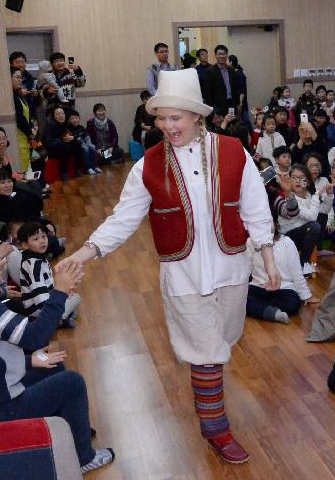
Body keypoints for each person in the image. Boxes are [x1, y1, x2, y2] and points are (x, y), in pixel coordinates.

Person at [58, 69, 279, 464]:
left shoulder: (233, 151)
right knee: (206, 352)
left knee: (223, 340)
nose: (165, 125)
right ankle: (216, 429)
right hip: (182, 273)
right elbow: (123, 218)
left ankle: (212, 410)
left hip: (231, 268)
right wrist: (84, 251)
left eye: (174, 117)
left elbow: (255, 207)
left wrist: (267, 257)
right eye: (161, 118)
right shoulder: (147, 166)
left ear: (196, 116)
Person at [0, 237, 115, 473]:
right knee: (73, 383)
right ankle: (83, 458)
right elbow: (36, 337)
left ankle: (71, 434)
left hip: (0, 392)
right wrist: (60, 291)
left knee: (53, 367)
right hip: (7, 407)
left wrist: (28, 360)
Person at [245, 220, 315, 324]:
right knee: (238, 300)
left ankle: (261, 308)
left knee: (293, 303)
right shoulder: (250, 242)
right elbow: (246, 269)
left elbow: (296, 272)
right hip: (258, 287)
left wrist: (306, 295)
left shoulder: (287, 242)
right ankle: (270, 312)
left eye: (269, 221)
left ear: (276, 224)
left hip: (282, 289)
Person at [17, 221, 80, 325]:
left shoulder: (37, 257)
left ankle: (61, 317)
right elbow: (39, 296)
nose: (42, 241)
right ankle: (56, 321)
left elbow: (48, 283)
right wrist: (52, 310)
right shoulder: (33, 266)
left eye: (44, 236)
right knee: (76, 298)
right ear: (25, 245)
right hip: (38, 310)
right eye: (36, 239)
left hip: (46, 299)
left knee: (70, 295)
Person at [279, 164, 332, 268]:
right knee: (314, 226)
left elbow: (325, 210)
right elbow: (312, 216)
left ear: (308, 182)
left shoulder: (309, 195)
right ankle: (304, 264)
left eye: (301, 177)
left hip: (303, 235)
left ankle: (303, 264)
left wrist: (330, 195)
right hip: (287, 236)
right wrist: (317, 195)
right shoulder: (289, 198)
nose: (298, 181)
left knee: (320, 220)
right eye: (294, 177)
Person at [200, 44, 241, 116]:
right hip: (218, 108)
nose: (222, 56)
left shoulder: (231, 70)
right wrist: (212, 111)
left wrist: (238, 104)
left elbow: (235, 88)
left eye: (224, 54)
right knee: (221, 127)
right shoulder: (210, 71)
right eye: (219, 54)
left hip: (231, 105)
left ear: (227, 55)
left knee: (233, 126)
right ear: (215, 55)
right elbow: (207, 93)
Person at [65, 109, 101, 175]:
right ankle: (88, 168)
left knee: (92, 147)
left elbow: (87, 137)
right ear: (68, 120)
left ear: (79, 119)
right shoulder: (68, 129)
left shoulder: (81, 127)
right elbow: (73, 140)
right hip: (77, 146)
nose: (75, 120)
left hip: (85, 143)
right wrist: (85, 144)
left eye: (76, 118)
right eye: (72, 119)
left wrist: (89, 144)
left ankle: (95, 166)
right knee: (85, 148)